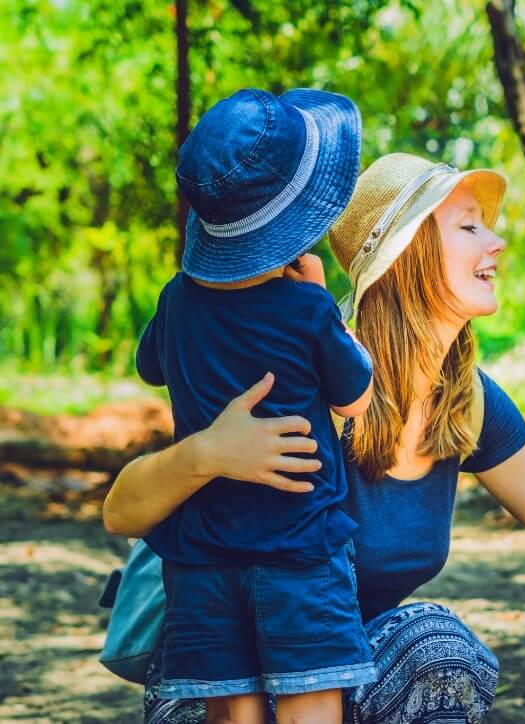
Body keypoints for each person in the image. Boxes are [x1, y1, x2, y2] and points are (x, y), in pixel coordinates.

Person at [103, 152, 525, 724]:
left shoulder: (467, 400)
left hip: (341, 672)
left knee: (436, 647)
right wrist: (206, 453)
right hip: (221, 682)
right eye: (468, 227)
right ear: (406, 257)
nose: (498, 241)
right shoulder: (310, 371)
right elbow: (122, 508)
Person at [132, 88, 374, 723]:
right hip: (300, 555)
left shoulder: (175, 300)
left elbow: (150, 367)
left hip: (201, 561)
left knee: (233, 717)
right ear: (293, 227)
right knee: (309, 710)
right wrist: (326, 309)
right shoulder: (307, 308)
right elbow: (356, 399)